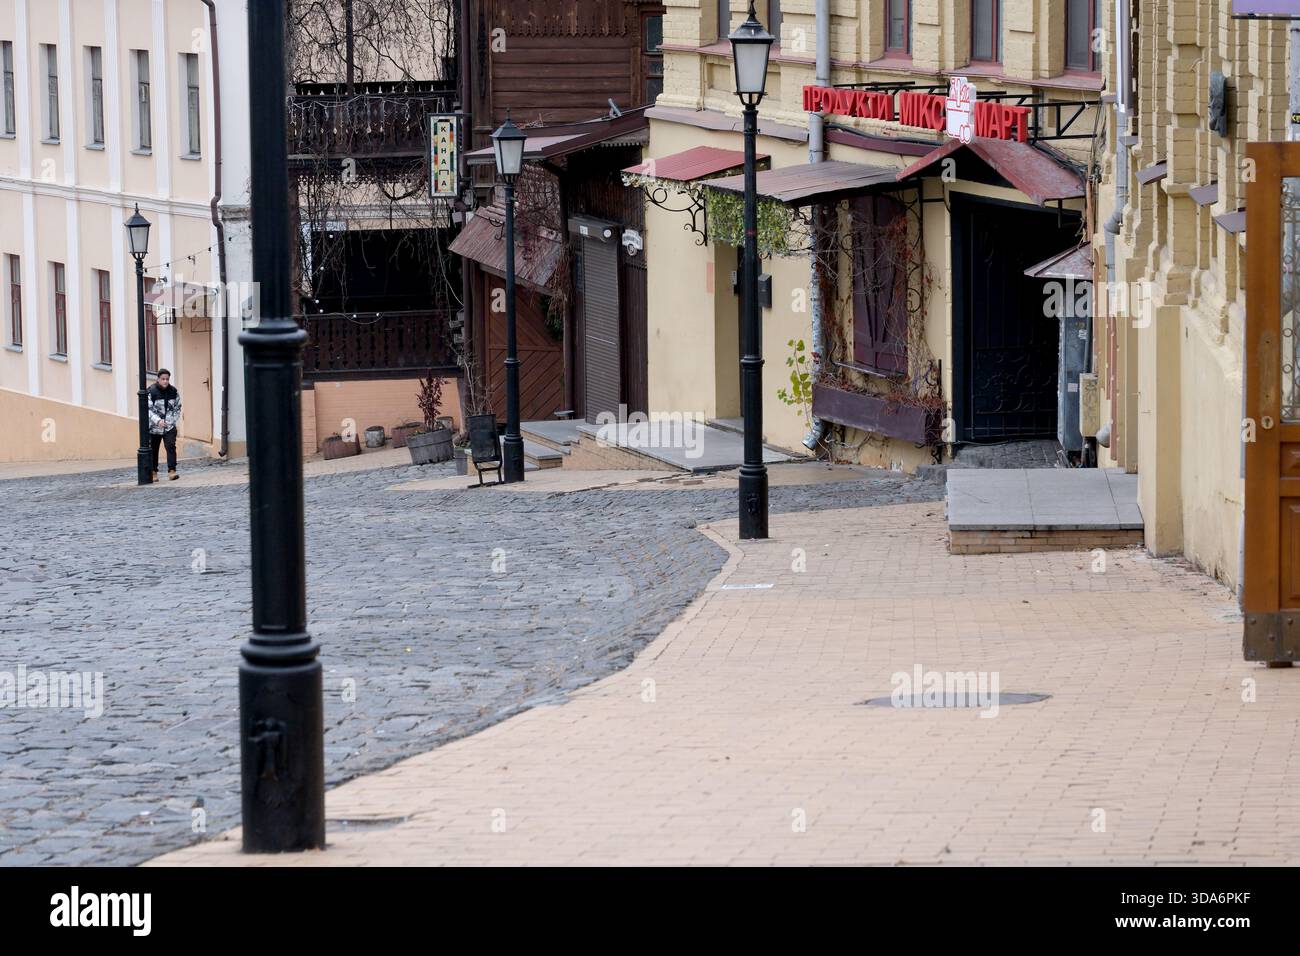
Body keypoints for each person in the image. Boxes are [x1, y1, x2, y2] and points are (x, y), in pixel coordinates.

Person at [147, 369, 182, 481]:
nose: (165, 381)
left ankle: (172, 471)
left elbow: (177, 408)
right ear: (158, 379)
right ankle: (153, 473)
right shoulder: (151, 391)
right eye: (163, 379)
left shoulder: (173, 392)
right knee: (154, 449)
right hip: (154, 428)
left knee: (171, 447)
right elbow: (148, 410)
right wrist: (158, 421)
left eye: (167, 379)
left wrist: (170, 421)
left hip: (169, 426)